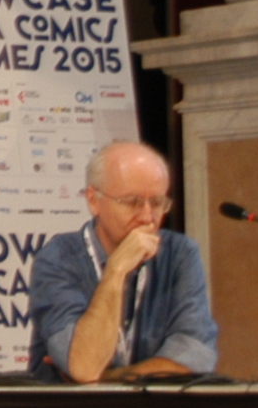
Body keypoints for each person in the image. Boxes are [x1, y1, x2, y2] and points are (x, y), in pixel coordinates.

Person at [28, 139, 218, 382]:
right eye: (132, 202)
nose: (147, 218)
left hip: (153, 405)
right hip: (72, 407)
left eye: (157, 203)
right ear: (93, 200)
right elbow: (85, 366)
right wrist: (116, 270)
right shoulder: (58, 258)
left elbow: (194, 356)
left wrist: (111, 379)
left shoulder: (179, 253)